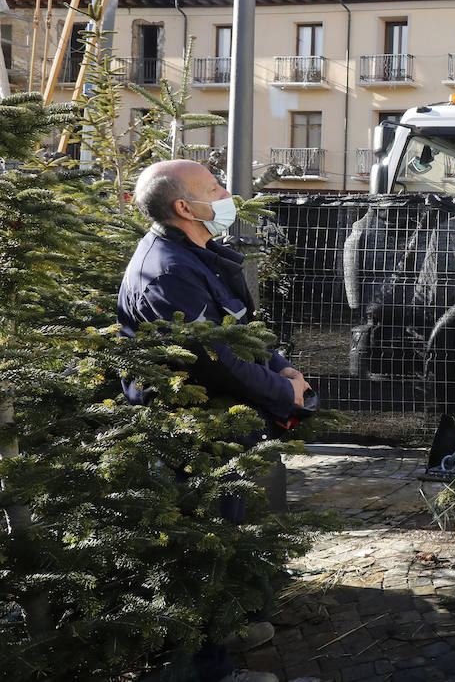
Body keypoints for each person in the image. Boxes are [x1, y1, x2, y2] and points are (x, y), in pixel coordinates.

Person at [118, 159, 312, 681]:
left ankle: (225, 624)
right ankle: (209, 670)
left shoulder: (202, 253)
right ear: (185, 207)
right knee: (201, 550)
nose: (227, 194)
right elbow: (214, 362)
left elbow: (239, 330)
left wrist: (283, 368)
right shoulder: (169, 273)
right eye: (216, 187)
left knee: (226, 534)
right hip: (194, 432)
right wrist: (285, 394)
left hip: (223, 426)